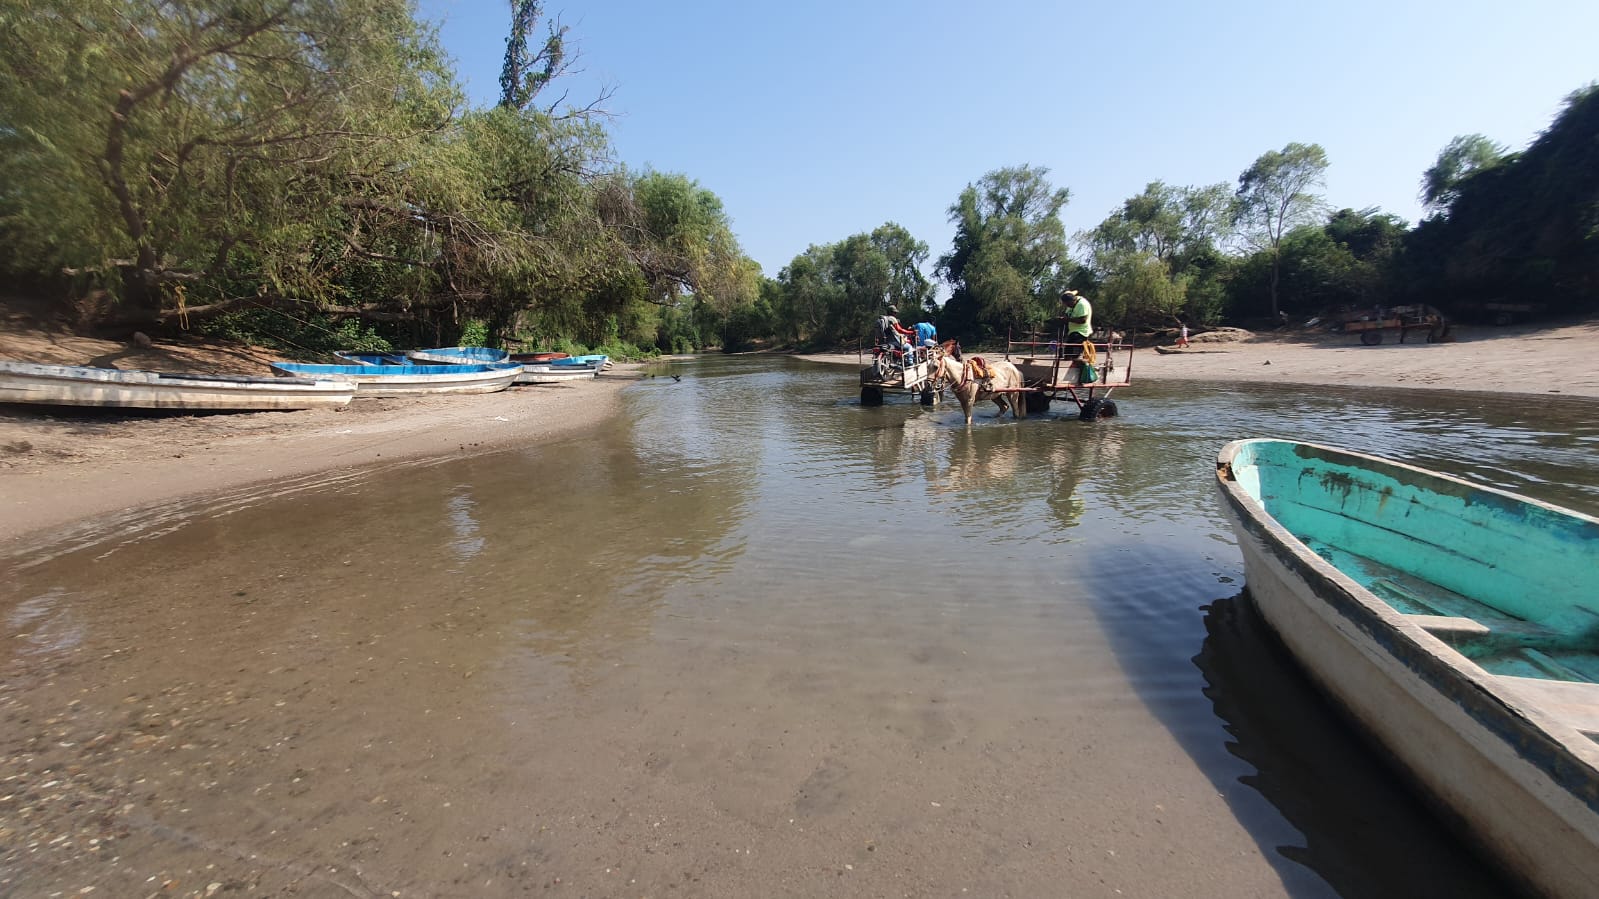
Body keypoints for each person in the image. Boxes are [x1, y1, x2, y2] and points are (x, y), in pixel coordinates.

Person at [1058, 289, 1093, 361]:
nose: (1067, 306)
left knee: (1071, 354)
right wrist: (1063, 318)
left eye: (1068, 304)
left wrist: (1068, 319)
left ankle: (1074, 365)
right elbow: (1067, 314)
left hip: (1081, 332)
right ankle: (1071, 362)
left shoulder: (1082, 304)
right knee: (1068, 353)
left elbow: (1083, 320)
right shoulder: (1071, 304)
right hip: (1073, 331)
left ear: (1072, 301)